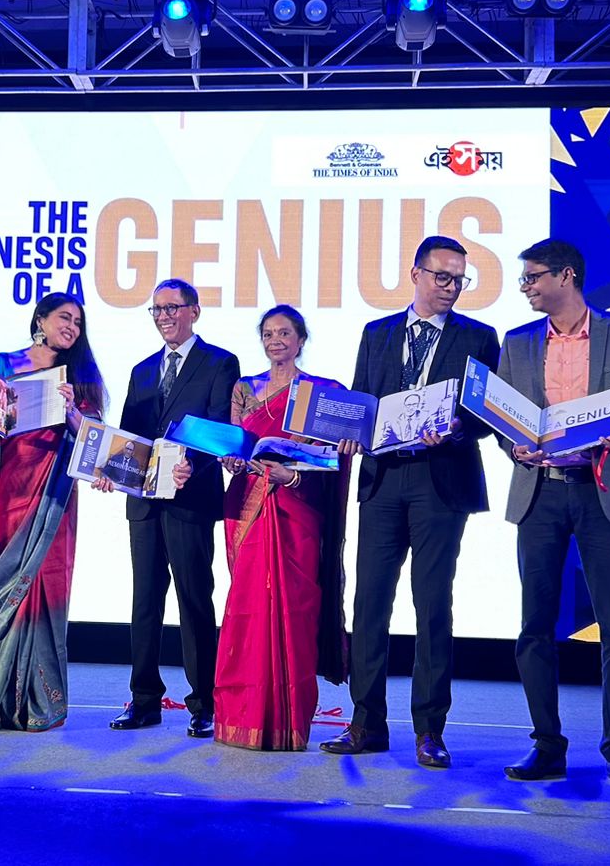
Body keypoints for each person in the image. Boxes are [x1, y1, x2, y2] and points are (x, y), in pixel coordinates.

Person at [320, 236, 500, 769]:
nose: (451, 288)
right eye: (442, 277)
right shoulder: (376, 333)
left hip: (441, 481)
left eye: (460, 280)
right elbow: (360, 401)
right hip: (382, 480)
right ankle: (366, 723)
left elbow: (487, 416)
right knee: (369, 605)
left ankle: (429, 729)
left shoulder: (479, 337)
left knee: (433, 605)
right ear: (415, 274)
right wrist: (349, 433)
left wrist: (458, 428)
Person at [497, 239, 610, 796]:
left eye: (532, 278)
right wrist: (513, 446)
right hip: (540, 495)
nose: (525, 287)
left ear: (566, 276)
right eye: (524, 280)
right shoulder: (517, 342)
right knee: (534, 627)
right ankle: (547, 746)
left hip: (603, 493)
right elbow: (504, 421)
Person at [0, 292, 107, 732]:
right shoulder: (5, 364)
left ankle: (42, 704)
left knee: (45, 585)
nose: (72, 327)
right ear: (40, 320)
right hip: (8, 492)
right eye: (64, 318)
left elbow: (94, 441)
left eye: (78, 322)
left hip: (52, 498)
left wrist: (71, 411)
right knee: (2, 591)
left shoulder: (80, 377)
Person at [107, 278, 240, 739]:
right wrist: (110, 469)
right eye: (157, 309)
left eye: (172, 308)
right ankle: (144, 700)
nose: (163, 316)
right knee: (144, 602)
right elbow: (128, 436)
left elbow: (219, 429)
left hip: (190, 499)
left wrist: (192, 467)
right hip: (144, 503)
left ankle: (204, 702)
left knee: (194, 599)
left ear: (194, 311)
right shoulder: (142, 370)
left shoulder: (220, 362)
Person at [214, 306, 350, 751]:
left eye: (285, 333)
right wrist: (233, 460)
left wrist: (291, 476)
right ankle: (242, 718)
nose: (276, 341)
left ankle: (288, 721)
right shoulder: (243, 388)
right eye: (268, 334)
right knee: (248, 608)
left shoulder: (322, 393)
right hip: (248, 504)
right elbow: (237, 444)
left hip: (298, 507)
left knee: (294, 611)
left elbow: (333, 459)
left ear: (300, 339)